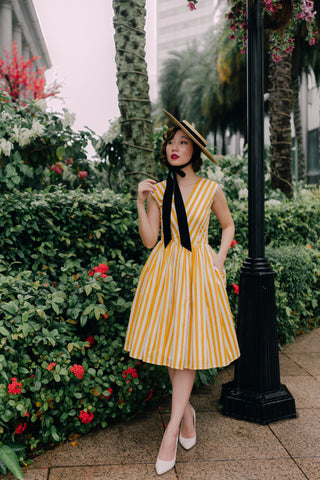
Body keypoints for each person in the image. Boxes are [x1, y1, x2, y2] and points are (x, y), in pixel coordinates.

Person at [124, 109, 240, 475]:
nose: (175, 148)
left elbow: (227, 225)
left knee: (186, 349)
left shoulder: (211, 189)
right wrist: (141, 202)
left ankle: (171, 430)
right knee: (172, 346)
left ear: (195, 151)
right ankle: (186, 412)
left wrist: (219, 261)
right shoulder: (159, 190)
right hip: (165, 268)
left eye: (183, 142)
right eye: (171, 142)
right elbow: (148, 240)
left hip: (198, 270)